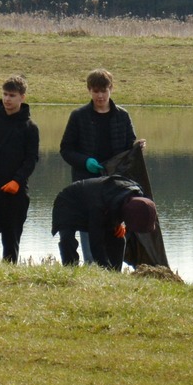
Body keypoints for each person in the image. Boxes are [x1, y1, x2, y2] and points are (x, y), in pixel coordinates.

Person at [58, 69, 143, 262]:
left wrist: (138, 148)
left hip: (115, 187)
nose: (100, 95)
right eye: (96, 91)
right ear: (89, 91)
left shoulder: (122, 116)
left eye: (104, 90)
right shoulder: (78, 116)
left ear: (111, 89)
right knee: (89, 228)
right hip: (86, 185)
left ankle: (113, 270)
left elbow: (129, 150)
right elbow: (66, 149)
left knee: (114, 233)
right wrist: (85, 162)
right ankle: (91, 268)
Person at [0, 74, 39, 262]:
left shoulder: (30, 128)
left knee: (11, 238)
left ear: (22, 97)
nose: (7, 99)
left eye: (12, 95)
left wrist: (17, 181)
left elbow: (31, 159)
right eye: (4, 94)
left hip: (16, 191)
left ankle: (9, 272)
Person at [51, 174, 157, 271]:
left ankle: (116, 273)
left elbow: (126, 209)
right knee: (67, 239)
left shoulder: (138, 195)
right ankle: (71, 271)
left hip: (97, 203)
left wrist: (120, 222)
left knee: (119, 238)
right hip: (67, 203)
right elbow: (96, 242)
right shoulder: (100, 206)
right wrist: (105, 267)